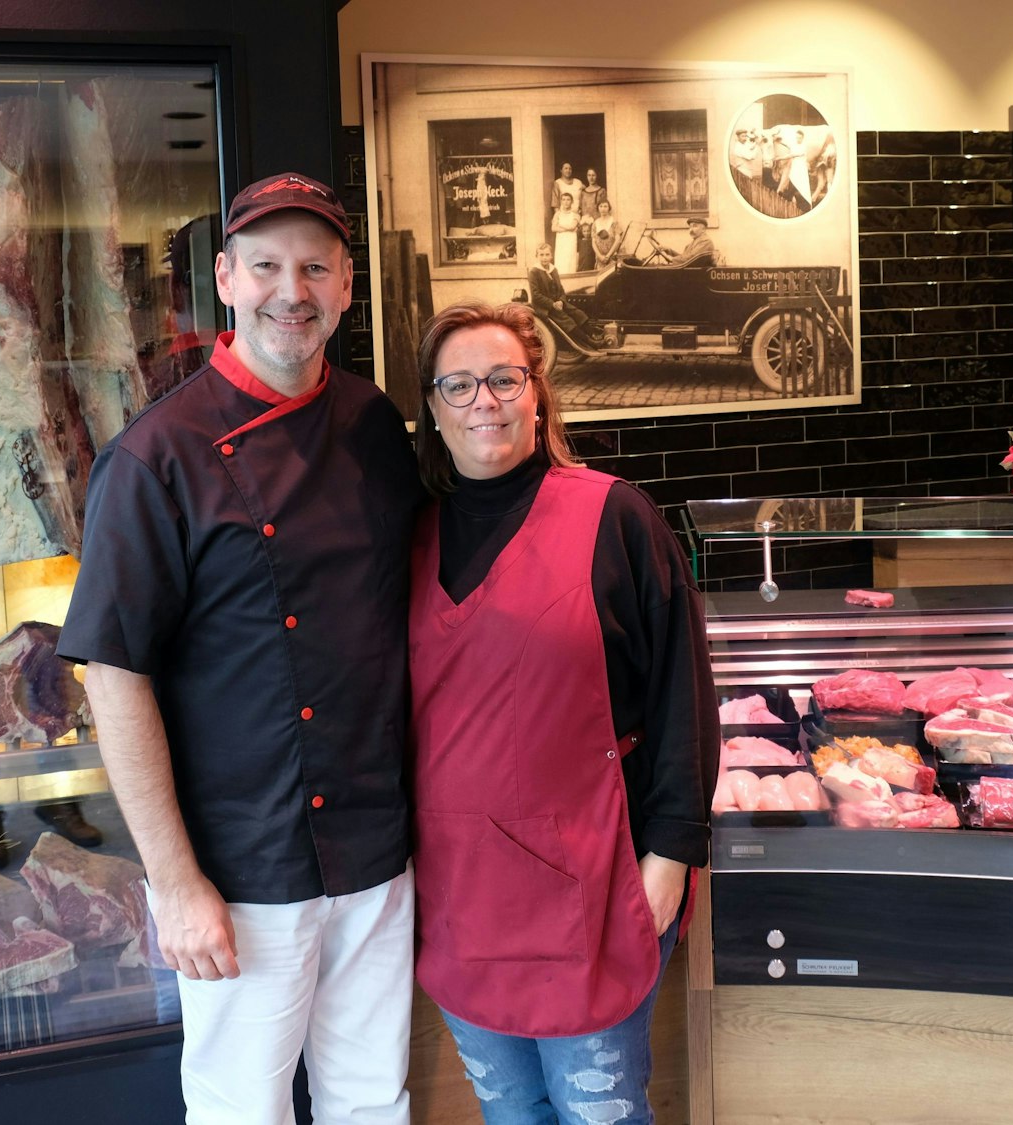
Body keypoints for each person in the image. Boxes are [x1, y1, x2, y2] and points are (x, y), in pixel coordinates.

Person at [59, 172, 422, 1125]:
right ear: (225, 278)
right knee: (239, 1112)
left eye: (314, 268)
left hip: (378, 850)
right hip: (244, 867)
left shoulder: (374, 422)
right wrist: (175, 886)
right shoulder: (154, 457)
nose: (289, 291)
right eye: (266, 265)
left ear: (346, 288)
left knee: (373, 1101)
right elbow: (114, 675)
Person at [407, 300, 718, 1124]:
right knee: (510, 1112)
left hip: (594, 887)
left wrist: (672, 856)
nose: (486, 401)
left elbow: (683, 692)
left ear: (537, 394)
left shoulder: (614, 515)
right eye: (460, 385)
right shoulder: (407, 537)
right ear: (432, 411)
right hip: (459, 897)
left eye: (504, 379)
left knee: (602, 1112)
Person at [526, 243, 595, 348]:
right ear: (537, 256)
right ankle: (590, 342)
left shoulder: (553, 270)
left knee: (576, 312)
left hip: (557, 303)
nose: (544, 258)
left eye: (547, 254)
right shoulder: (534, 272)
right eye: (541, 255)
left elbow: (561, 289)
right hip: (544, 307)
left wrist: (561, 301)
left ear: (551, 256)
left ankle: (594, 335)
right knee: (566, 320)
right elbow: (536, 295)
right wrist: (552, 304)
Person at [550, 194, 581, 274]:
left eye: (568, 200)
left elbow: (572, 226)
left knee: (570, 259)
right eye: (563, 199)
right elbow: (553, 228)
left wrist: (560, 225)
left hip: (570, 239)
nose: (566, 202)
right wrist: (569, 229)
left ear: (572, 201)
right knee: (561, 260)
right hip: (561, 240)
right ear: (561, 201)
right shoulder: (557, 214)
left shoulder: (575, 215)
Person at [588, 198, 620, 269]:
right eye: (601, 206)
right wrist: (599, 256)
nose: (603, 209)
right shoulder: (595, 223)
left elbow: (618, 240)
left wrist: (608, 255)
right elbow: (593, 242)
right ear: (598, 208)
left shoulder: (613, 222)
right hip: (600, 259)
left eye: (605, 206)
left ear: (609, 208)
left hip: (611, 257)